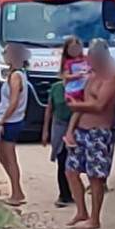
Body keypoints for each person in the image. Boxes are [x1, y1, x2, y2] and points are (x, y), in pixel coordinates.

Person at [65, 41, 115, 229]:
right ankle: (81, 211)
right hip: (81, 130)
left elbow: (99, 105)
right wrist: (70, 131)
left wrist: (76, 105)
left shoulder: (112, 78)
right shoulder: (91, 77)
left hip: (99, 132)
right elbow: (82, 103)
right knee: (71, 171)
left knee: (95, 177)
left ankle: (95, 218)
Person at [0, 43, 30, 206]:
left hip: (11, 120)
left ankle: (17, 192)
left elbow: (13, 101)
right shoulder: (15, 74)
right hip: (8, 119)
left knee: (9, 156)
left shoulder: (16, 76)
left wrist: (3, 120)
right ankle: (16, 190)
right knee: (2, 156)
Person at [41, 77, 75, 208]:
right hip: (59, 126)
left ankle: (73, 192)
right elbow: (49, 110)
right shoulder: (56, 88)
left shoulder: (79, 88)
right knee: (62, 160)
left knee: (72, 161)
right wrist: (45, 131)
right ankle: (64, 194)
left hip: (75, 126)